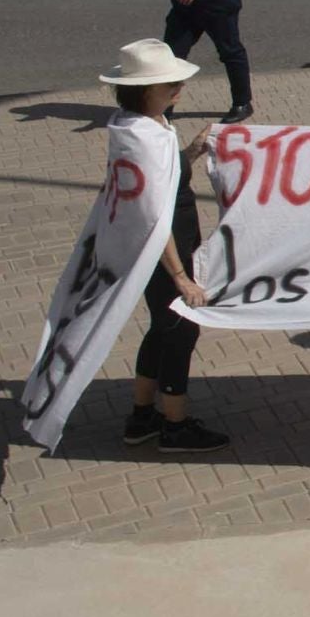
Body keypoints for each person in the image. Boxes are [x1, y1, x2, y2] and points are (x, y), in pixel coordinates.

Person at [97, 39, 228, 454]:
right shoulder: (146, 140)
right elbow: (156, 216)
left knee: (160, 326)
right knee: (179, 329)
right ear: (145, 89)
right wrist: (182, 278)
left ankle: (142, 415)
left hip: (154, 248)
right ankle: (175, 424)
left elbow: (165, 178)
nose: (178, 88)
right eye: (169, 82)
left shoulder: (138, 125)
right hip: (163, 251)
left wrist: (191, 149)